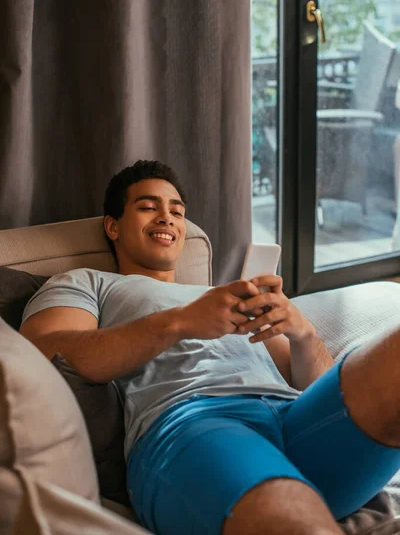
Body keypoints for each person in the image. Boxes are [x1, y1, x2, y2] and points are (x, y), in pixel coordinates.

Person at [20, 160, 400, 535]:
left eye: (177, 211)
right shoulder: (88, 282)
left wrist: (302, 333)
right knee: (294, 519)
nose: (167, 218)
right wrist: (182, 322)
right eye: (149, 207)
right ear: (112, 226)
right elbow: (46, 353)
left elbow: (314, 386)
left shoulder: (221, 296)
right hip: (194, 422)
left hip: (296, 419)